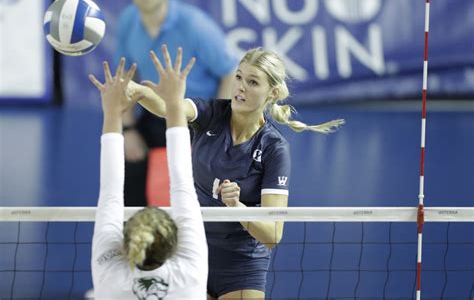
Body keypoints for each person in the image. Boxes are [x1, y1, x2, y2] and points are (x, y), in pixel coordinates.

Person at [128, 45, 345, 299]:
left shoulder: (273, 148)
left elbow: (273, 234)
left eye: (253, 82)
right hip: (193, 249)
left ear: (272, 92)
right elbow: (169, 108)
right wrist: (135, 91)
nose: (241, 86)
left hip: (241, 263)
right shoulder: (211, 113)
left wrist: (237, 206)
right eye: (239, 77)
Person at [89, 51, 207, 298]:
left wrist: (113, 113)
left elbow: (110, 191)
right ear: (173, 247)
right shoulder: (189, 273)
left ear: (124, 243)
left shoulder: (109, 275)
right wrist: (174, 102)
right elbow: (184, 182)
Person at [116, 0, 238, 207]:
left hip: (195, 116)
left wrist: (217, 131)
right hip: (155, 111)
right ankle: (137, 231)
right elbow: (124, 75)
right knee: (126, 160)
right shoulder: (127, 20)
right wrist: (128, 129)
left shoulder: (195, 25)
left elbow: (230, 73)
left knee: (198, 188)